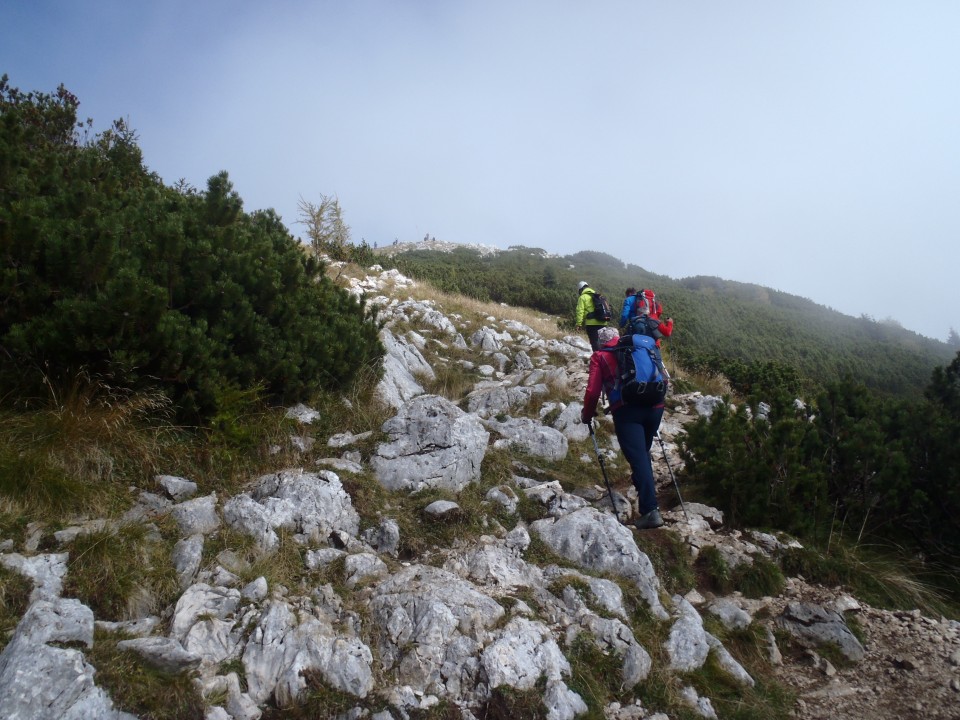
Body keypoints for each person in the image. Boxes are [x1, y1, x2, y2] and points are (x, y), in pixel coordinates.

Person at [581, 326, 665, 530]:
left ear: (601, 341)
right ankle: (646, 496)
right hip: (656, 406)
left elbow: (593, 391)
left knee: (638, 459)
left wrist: (587, 413)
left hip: (628, 412)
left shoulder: (600, 356)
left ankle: (650, 511)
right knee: (642, 454)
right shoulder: (641, 349)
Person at [574, 281, 608, 351]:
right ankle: (605, 359)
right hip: (603, 322)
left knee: (595, 343)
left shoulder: (583, 297)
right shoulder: (598, 295)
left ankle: (597, 360)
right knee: (603, 344)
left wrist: (579, 324)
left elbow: (580, 311)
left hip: (591, 324)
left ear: (580, 289)